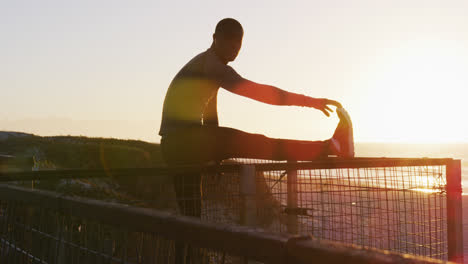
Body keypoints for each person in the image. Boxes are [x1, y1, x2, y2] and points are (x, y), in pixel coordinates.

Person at [159, 17, 353, 263]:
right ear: (214, 39)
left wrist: (215, 156)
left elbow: (209, 116)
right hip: (185, 141)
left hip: (175, 146)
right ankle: (331, 147)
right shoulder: (213, 66)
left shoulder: (204, 65)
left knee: (190, 219)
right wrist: (310, 101)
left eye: (237, 48)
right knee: (258, 143)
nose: (233, 52)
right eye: (229, 46)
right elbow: (262, 94)